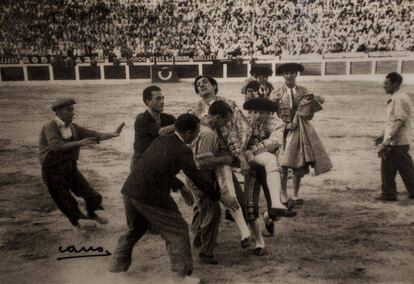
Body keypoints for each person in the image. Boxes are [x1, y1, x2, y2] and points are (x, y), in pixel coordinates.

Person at [109, 114, 239, 284]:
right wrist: (222, 198)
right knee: (178, 230)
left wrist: (181, 187)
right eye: (196, 131)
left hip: (129, 190)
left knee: (135, 229)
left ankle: (114, 271)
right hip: (149, 195)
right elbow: (198, 178)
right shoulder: (183, 150)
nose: (197, 135)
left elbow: (156, 168)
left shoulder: (161, 140)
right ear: (187, 133)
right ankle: (180, 277)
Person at [39, 98, 124, 228]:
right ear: (59, 112)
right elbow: (56, 146)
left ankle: (91, 214)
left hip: (70, 167)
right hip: (52, 170)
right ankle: (77, 225)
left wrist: (113, 134)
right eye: (69, 110)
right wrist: (79, 143)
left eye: (72, 109)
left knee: (92, 195)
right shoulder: (50, 126)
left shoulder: (73, 128)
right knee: (65, 200)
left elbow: (95, 135)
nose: (73, 113)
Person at [188, 101, 252, 265]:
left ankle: (199, 239)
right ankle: (205, 251)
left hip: (198, 173)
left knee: (203, 208)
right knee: (212, 210)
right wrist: (226, 159)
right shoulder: (208, 132)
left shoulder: (201, 124)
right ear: (217, 117)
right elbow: (204, 162)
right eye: (225, 121)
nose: (226, 125)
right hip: (201, 175)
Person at [242, 97, 297, 255]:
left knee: (275, 207)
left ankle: (268, 216)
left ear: (270, 113)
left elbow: (274, 142)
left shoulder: (277, 122)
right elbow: (238, 142)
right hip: (252, 168)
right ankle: (259, 241)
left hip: (269, 167)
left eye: (263, 112)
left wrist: (251, 151)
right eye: (255, 111)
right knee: (250, 204)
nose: (258, 115)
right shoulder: (245, 122)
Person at [271, 63, 329, 207]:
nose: (289, 76)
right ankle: (283, 195)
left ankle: (296, 195)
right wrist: (285, 124)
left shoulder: (304, 91)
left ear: (296, 74)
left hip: (299, 131)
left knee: (299, 163)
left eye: (292, 73)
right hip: (282, 131)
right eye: (286, 73)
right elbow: (271, 115)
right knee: (282, 163)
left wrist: (311, 101)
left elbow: (318, 103)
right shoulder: (276, 93)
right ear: (283, 75)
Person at [375, 72, 414, 201]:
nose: (383, 86)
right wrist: (382, 134)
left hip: (396, 140)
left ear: (395, 84)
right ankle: (392, 192)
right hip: (400, 140)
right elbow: (393, 121)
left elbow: (399, 120)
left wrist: (388, 140)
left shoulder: (398, 98)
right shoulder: (400, 97)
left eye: (386, 83)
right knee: (405, 167)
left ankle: (389, 193)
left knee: (387, 166)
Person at [131, 85, 176, 170]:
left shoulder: (168, 118)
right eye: (158, 99)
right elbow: (162, 132)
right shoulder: (142, 119)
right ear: (148, 101)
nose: (162, 102)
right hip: (142, 165)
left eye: (163, 98)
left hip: (160, 162)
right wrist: (183, 122)